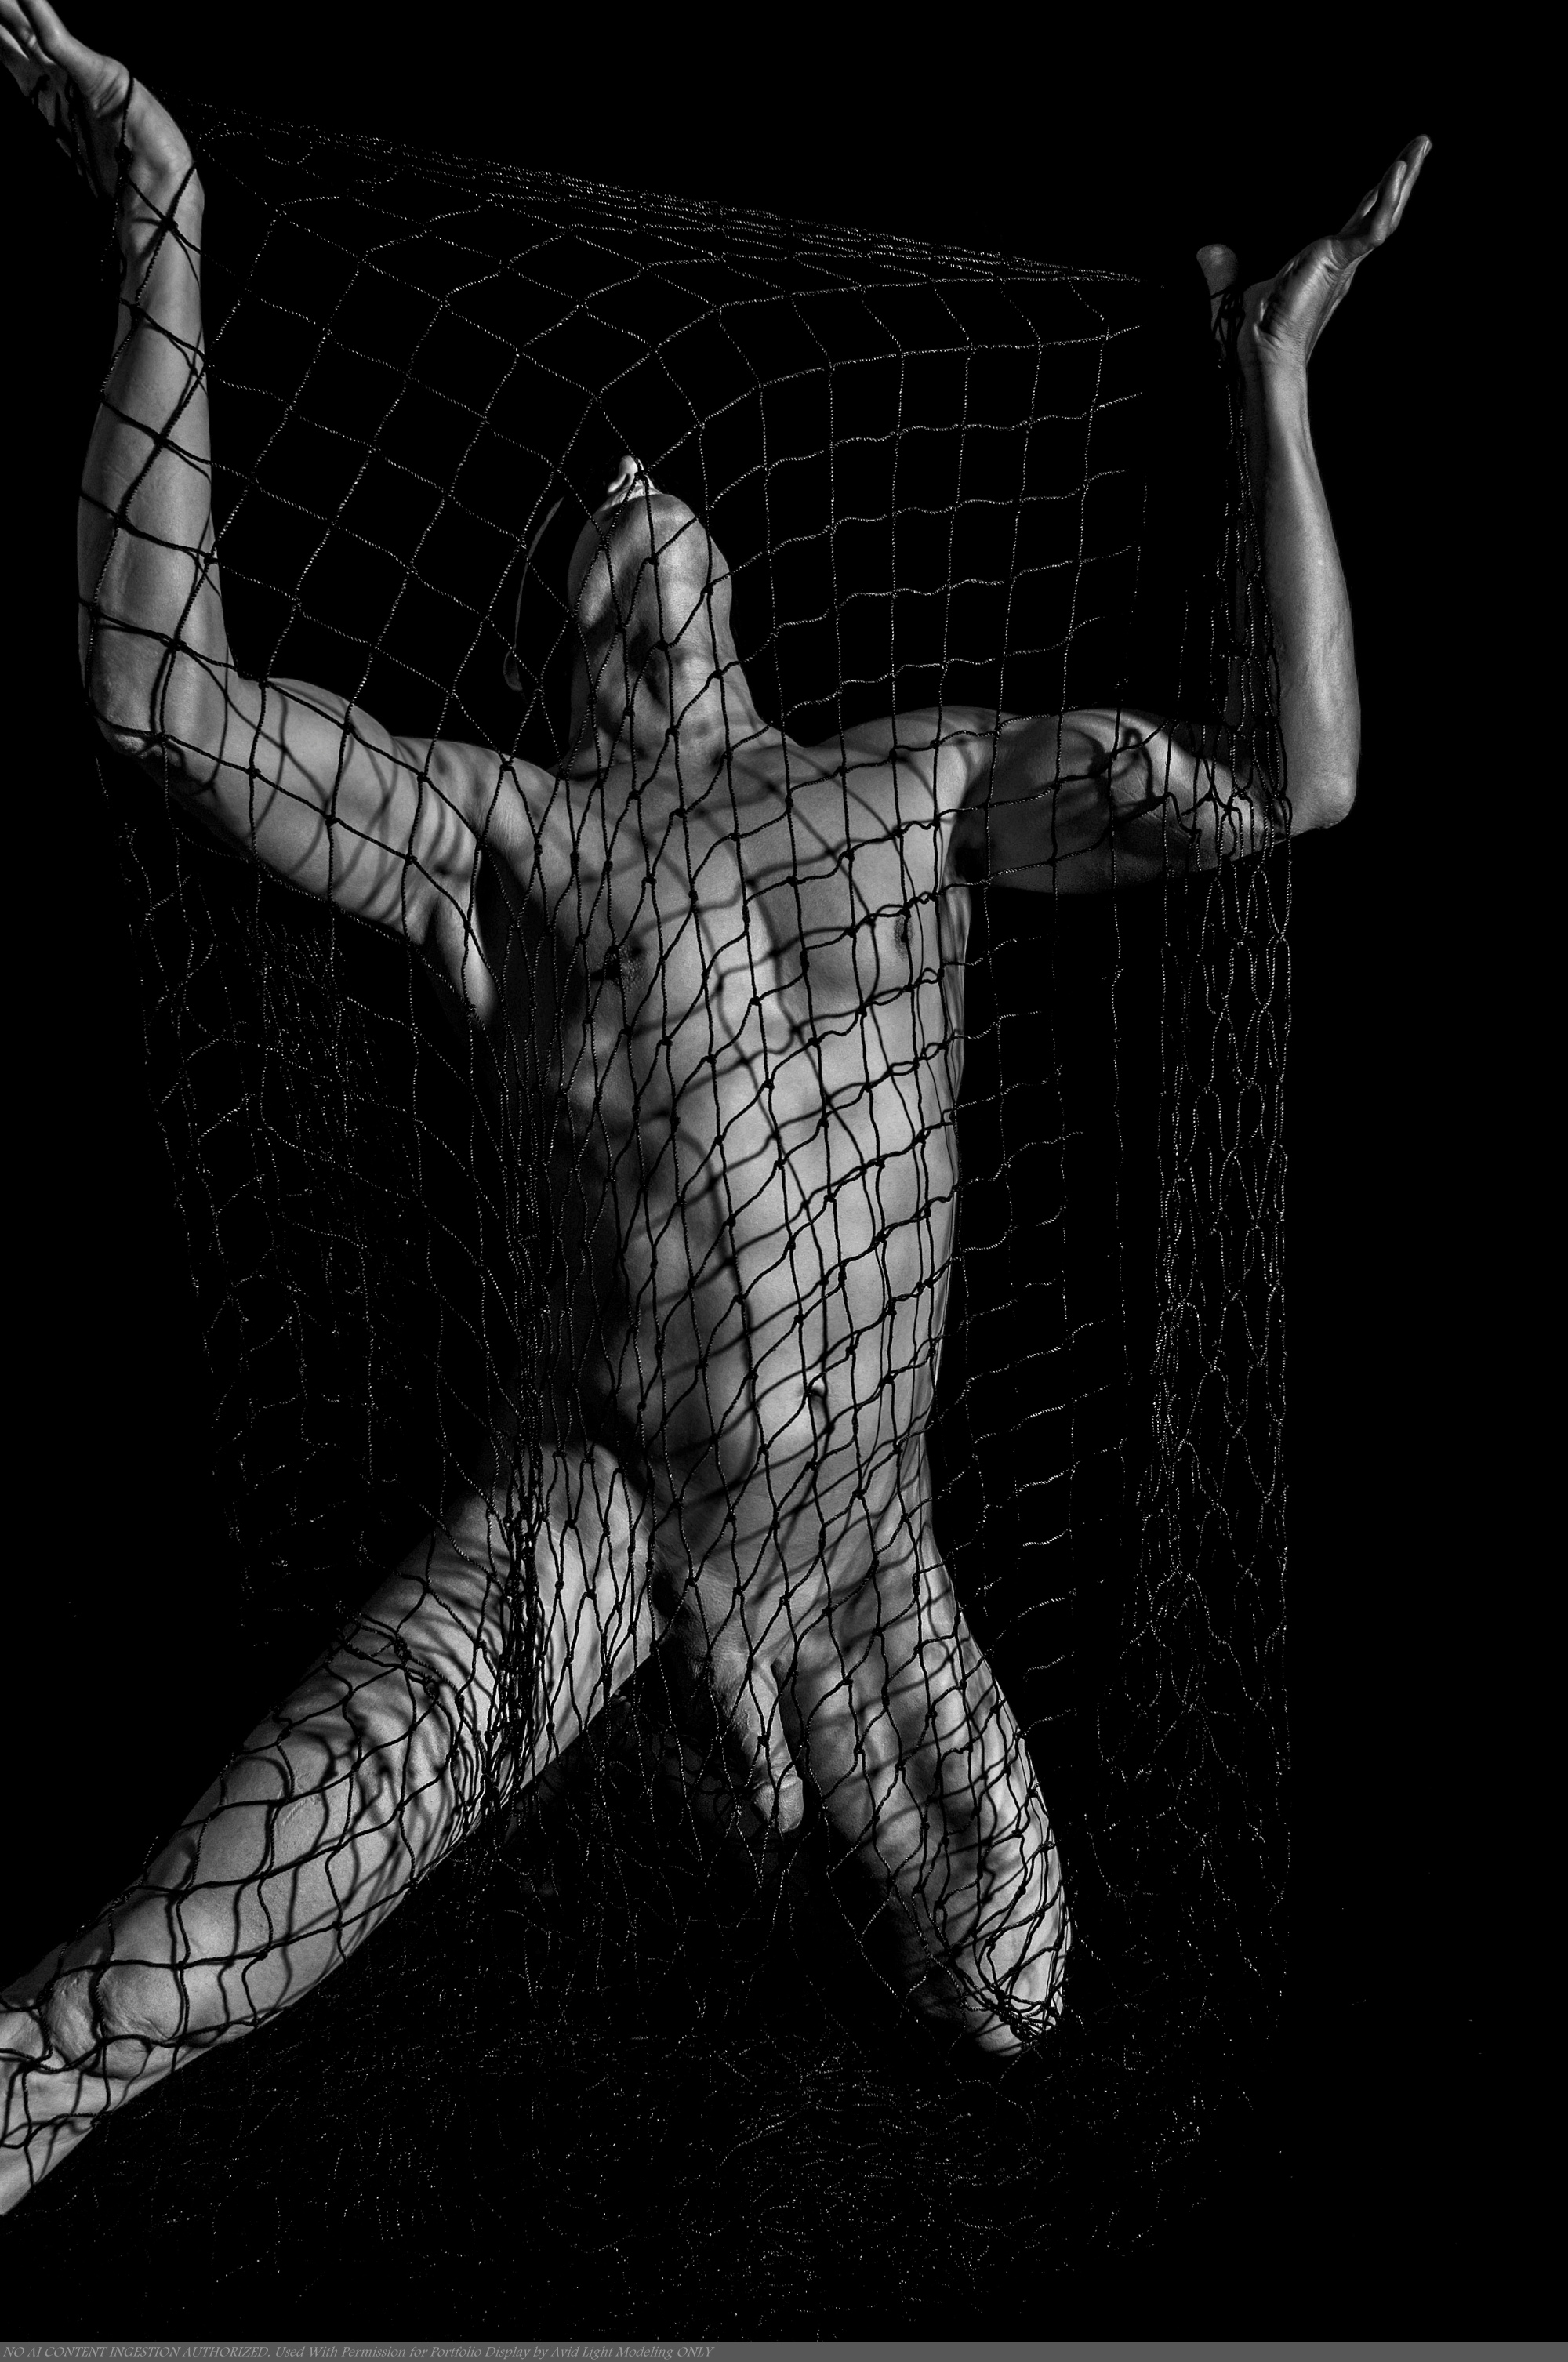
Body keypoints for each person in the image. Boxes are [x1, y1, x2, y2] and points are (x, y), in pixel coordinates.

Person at [0, 0, 1428, 2216]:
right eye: (594, 511)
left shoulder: (924, 787)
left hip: (863, 1546)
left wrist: (1275, 381)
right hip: (602, 1522)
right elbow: (157, 696)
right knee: (136, 2000)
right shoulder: (507, 843)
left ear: (740, 592)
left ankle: (712, 1775)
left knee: (1012, 1984)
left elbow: (1294, 784)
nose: (637, 478)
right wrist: (161, 224)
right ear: (559, 637)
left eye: (668, 492)